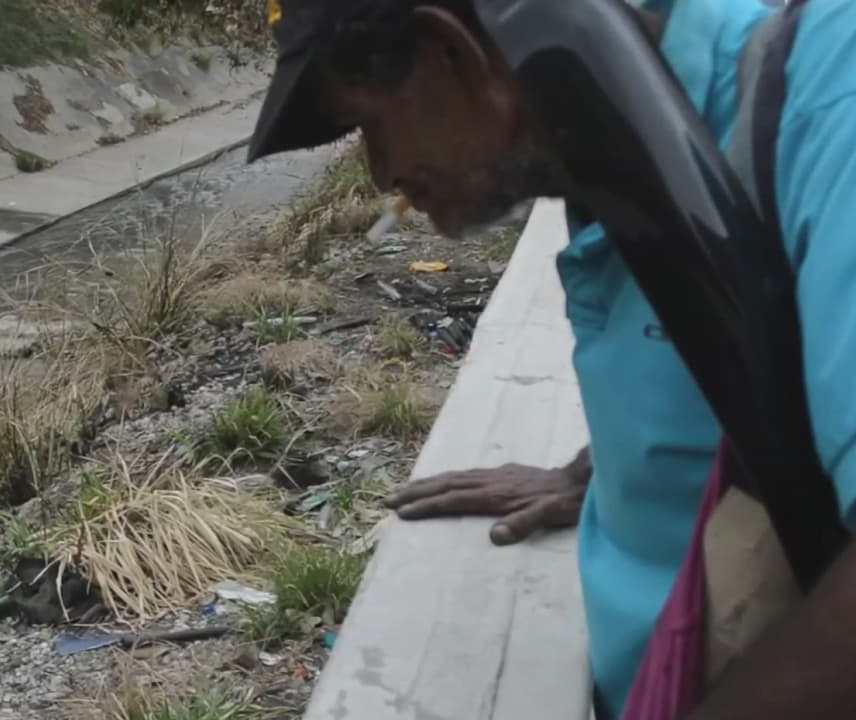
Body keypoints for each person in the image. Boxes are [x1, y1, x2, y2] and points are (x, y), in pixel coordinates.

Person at [246, 0, 856, 718]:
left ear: (451, 51)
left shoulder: (830, 102)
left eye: (368, 124)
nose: (381, 174)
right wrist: (607, 471)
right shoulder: (601, 148)